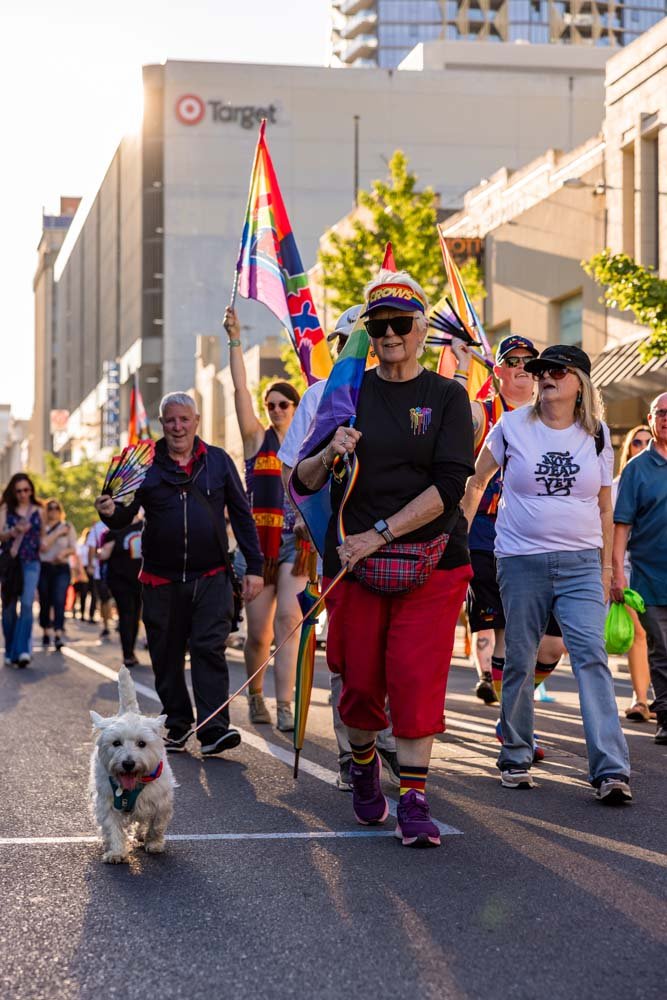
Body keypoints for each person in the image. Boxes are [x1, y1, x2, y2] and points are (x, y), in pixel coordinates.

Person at [294, 270, 475, 848]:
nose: (391, 334)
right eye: (380, 325)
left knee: (415, 676)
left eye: (402, 323)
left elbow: (450, 485)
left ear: (423, 328)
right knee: (363, 685)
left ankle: (415, 798)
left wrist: (381, 532)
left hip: (433, 556)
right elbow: (302, 477)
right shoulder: (344, 392)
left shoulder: (447, 396)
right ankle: (366, 761)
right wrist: (330, 450)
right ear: (368, 331)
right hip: (355, 564)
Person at [462, 344, 631, 802]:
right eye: (540, 371)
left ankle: (611, 770)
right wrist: (456, 541)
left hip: (580, 564)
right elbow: (477, 480)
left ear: (580, 381)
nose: (545, 377)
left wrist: (606, 571)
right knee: (518, 657)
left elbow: (604, 504)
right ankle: (515, 755)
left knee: (591, 658)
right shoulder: (512, 426)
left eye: (556, 370)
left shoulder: (597, 435)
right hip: (520, 560)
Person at [95, 392, 264, 757]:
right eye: (170, 420)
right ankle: (177, 723)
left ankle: (214, 728)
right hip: (160, 578)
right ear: (162, 423)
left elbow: (241, 514)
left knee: (208, 648)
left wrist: (255, 567)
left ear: (196, 421)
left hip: (212, 575)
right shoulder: (144, 466)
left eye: (184, 420)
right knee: (166, 654)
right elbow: (125, 516)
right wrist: (109, 512)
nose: (177, 427)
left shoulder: (218, 461)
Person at [278, 304, 400, 791]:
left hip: (393, 536)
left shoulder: (401, 393)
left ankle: (388, 737)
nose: (347, 349)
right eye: (341, 341)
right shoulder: (316, 396)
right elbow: (294, 468)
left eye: (355, 339)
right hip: (338, 540)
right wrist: (306, 521)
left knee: (392, 646)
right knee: (347, 651)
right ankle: (354, 750)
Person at [451, 334, 565, 730]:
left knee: (552, 645)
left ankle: (514, 707)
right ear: (497, 369)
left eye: (527, 360)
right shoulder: (485, 412)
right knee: (508, 639)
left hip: (541, 536)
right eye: (511, 360)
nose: (520, 366)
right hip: (487, 535)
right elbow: (454, 418)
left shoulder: (550, 416)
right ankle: (514, 727)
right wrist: (462, 366)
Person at [223, 304, 309, 733]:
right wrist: (235, 339)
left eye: (283, 403)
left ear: (296, 407)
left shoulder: (310, 443)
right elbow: (239, 390)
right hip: (257, 548)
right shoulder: (256, 439)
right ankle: (255, 695)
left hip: (296, 544)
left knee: (288, 622)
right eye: (270, 404)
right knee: (257, 635)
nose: (275, 409)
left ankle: (286, 706)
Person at [612, 394, 667, 745]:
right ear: (650, 419)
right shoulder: (636, 469)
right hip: (649, 576)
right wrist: (616, 572)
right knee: (661, 648)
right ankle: (665, 715)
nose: (666, 418)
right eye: (661, 413)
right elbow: (621, 526)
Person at [611, 425, 653, 722]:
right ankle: (641, 700)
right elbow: (610, 529)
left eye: (646, 441)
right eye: (636, 442)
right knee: (639, 633)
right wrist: (612, 572)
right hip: (627, 566)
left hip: (658, 565)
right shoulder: (617, 484)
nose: (642, 445)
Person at [0, 474, 44, 667]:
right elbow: (1, 535)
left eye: (26, 490)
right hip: (11, 563)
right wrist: (13, 531)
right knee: (9, 608)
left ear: (31, 490)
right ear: (13, 492)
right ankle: (10, 650)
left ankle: (22, 650)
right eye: (18, 491)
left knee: (27, 604)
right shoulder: (5, 509)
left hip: (32, 562)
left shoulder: (39, 510)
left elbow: (42, 537)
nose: (23, 494)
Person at [98, 514, 144, 668]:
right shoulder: (115, 529)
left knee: (136, 615)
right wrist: (99, 552)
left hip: (141, 580)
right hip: (120, 580)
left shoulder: (146, 525)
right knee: (126, 614)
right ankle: (128, 654)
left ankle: (131, 650)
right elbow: (104, 554)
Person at [38, 498, 76, 651]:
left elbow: (73, 548)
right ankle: (46, 631)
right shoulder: (41, 527)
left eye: (56, 508)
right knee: (45, 600)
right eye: (50, 508)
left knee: (59, 600)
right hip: (44, 568)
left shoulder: (68, 526)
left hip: (61, 568)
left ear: (60, 511)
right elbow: (43, 547)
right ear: (46, 511)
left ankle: (58, 633)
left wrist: (64, 553)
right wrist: (58, 532)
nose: (53, 511)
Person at [87, 520, 114, 637]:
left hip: (119, 569)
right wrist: (91, 564)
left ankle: (108, 625)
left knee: (106, 599)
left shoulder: (123, 520)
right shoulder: (97, 527)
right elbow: (92, 548)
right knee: (105, 599)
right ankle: (106, 625)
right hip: (102, 570)